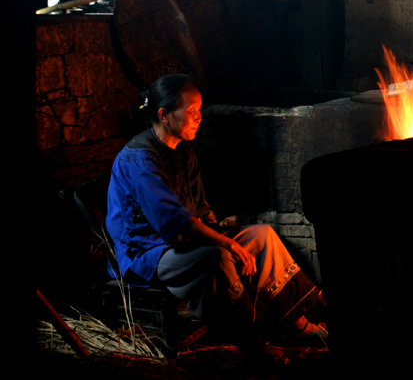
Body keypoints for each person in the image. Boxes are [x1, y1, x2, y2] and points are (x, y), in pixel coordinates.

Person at [106, 74, 326, 362]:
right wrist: (229, 246)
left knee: (262, 235)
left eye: (199, 109)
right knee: (217, 259)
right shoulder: (141, 159)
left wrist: (222, 232)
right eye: (191, 111)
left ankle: (295, 323)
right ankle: (253, 344)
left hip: (185, 240)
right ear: (164, 115)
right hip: (149, 253)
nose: (199, 117)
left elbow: (199, 205)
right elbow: (174, 222)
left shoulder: (182, 149)